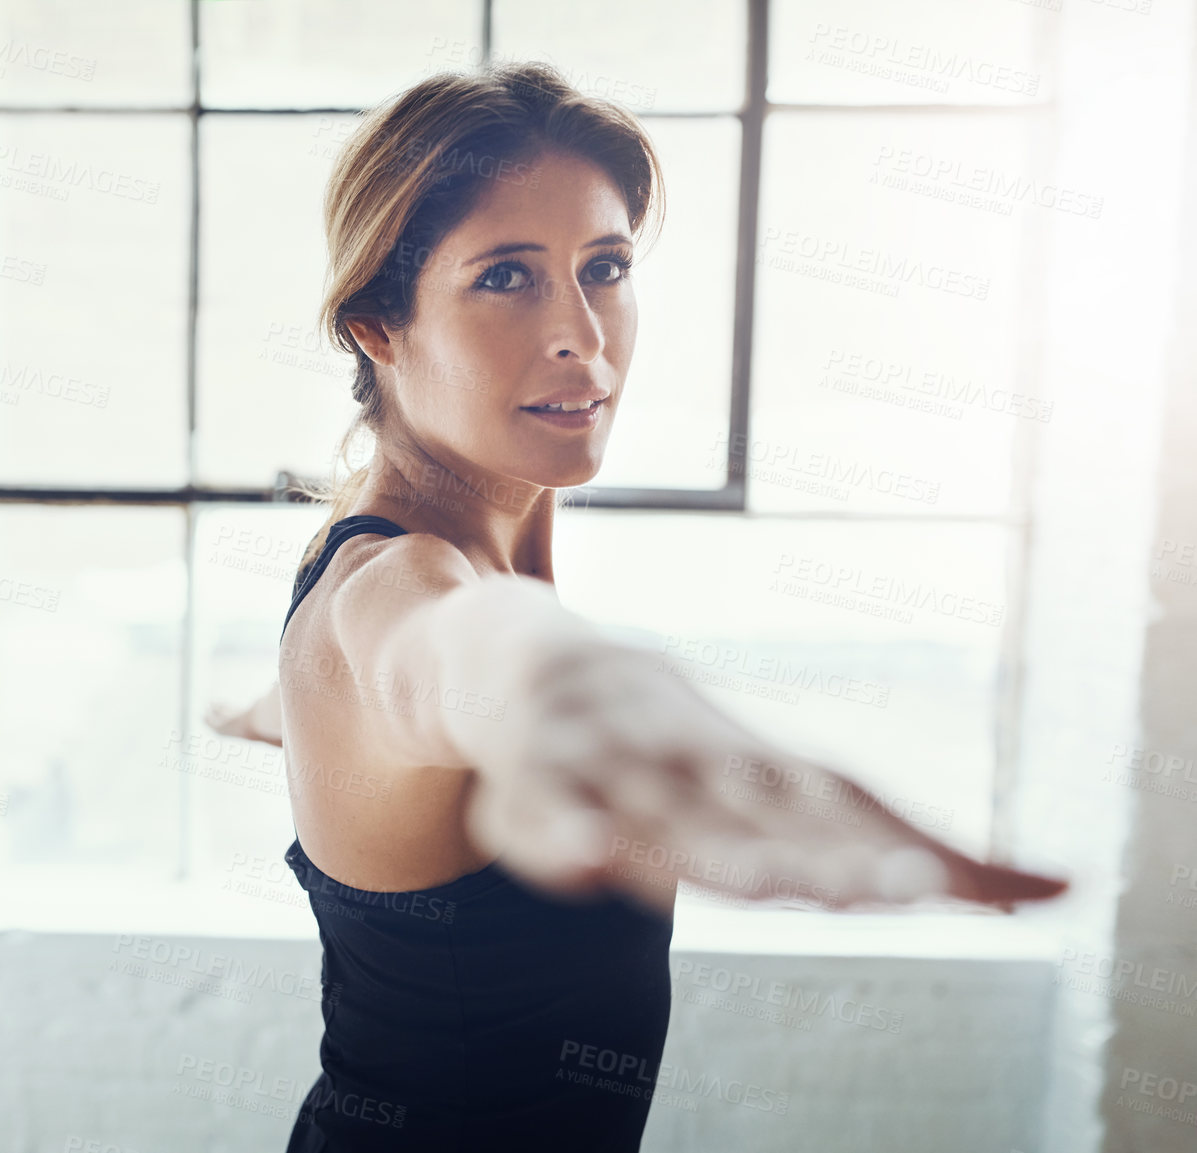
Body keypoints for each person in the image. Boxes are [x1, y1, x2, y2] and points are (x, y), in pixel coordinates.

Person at [205, 61, 1067, 1152]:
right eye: (505, 277)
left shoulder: (384, 582)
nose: (582, 334)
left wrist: (274, 705)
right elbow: (461, 652)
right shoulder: (396, 593)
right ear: (379, 321)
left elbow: (370, 689)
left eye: (603, 267)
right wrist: (577, 690)